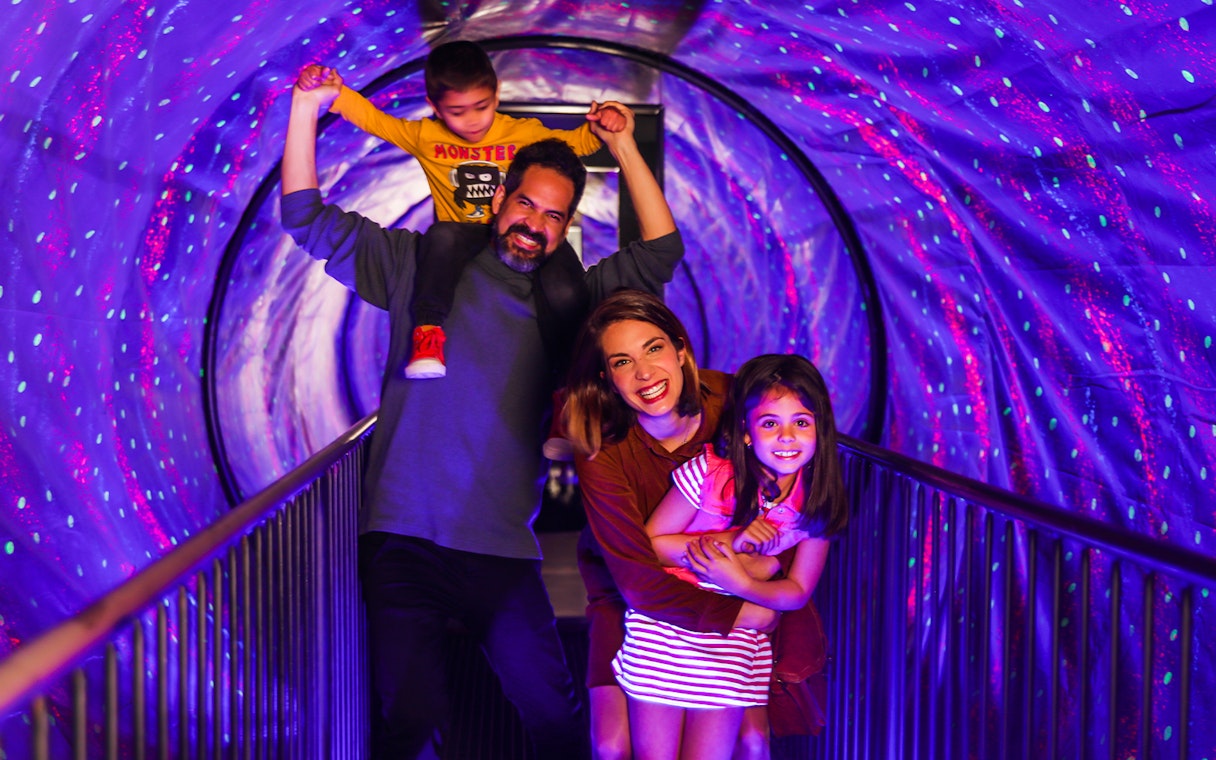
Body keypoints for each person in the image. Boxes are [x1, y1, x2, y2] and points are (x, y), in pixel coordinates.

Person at [281, 62, 682, 759]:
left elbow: (660, 253)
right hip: (403, 536)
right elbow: (304, 216)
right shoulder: (415, 265)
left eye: (554, 216)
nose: (535, 224)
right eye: (526, 205)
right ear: (499, 198)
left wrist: (622, 145)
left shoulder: (572, 300)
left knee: (552, 713)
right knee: (413, 720)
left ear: (566, 227)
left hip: (501, 547)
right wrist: (305, 109)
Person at [297, 40, 625, 380]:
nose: (471, 121)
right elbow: (375, 121)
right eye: (457, 111)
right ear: (435, 108)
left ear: (496, 95)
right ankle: (428, 333)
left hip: (517, 232)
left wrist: (604, 123)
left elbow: (577, 144)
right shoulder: (426, 137)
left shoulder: (523, 133)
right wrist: (336, 92)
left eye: (481, 107)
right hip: (463, 237)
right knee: (440, 237)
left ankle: (575, 367)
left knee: (566, 283)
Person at [562, 291, 789, 760]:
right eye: (622, 361)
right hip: (633, 596)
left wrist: (755, 585)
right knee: (611, 746)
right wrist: (742, 604)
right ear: (607, 378)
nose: (644, 373)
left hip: (729, 583)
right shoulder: (600, 445)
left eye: (654, 348)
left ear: (681, 349)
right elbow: (634, 578)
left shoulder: (734, 402)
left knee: (751, 742)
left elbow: (793, 483)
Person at [611, 353, 849, 759]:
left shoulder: (816, 506)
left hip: (733, 641)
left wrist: (740, 582)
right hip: (664, 628)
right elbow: (649, 544)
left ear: (820, 429)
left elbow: (797, 592)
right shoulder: (709, 473)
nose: (786, 437)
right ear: (746, 432)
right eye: (770, 423)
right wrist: (733, 541)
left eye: (801, 422)